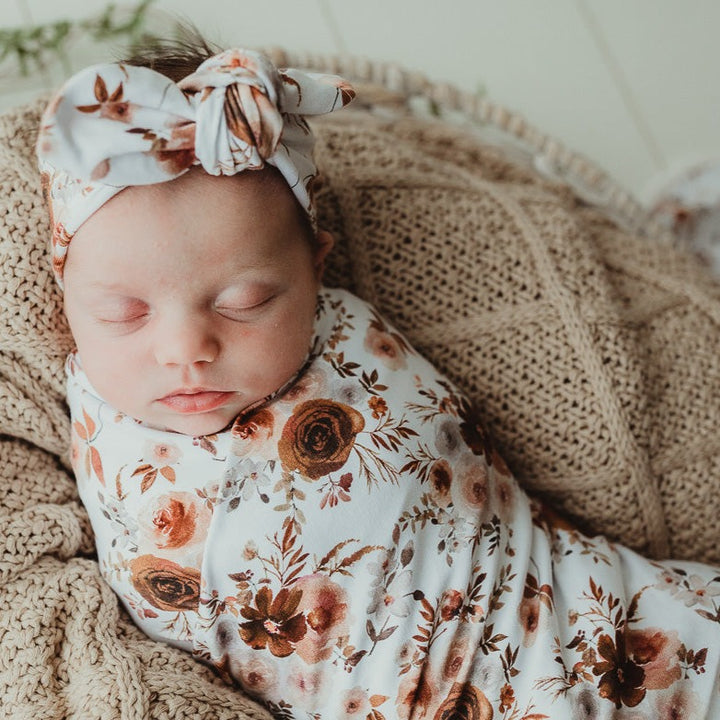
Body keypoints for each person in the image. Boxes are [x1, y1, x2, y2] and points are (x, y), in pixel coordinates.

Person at [37, 35, 720, 720]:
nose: (186, 350)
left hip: (619, 631)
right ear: (67, 297)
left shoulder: (346, 340)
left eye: (245, 303)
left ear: (317, 270)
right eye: (122, 314)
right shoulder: (77, 411)